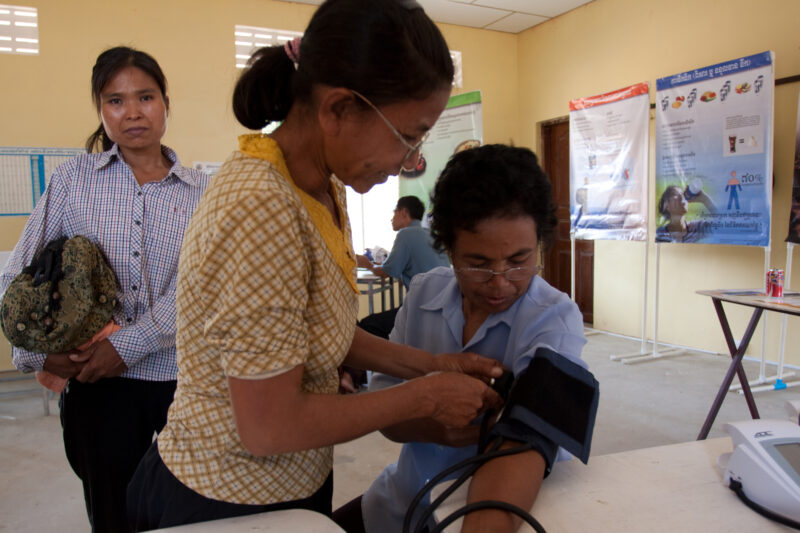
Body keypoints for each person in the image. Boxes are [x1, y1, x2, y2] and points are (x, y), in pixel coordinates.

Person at [126, 1, 502, 530]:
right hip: (224, 498)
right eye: (409, 137)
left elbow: (321, 332)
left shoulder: (322, 186)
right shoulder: (262, 206)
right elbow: (269, 426)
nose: (408, 162)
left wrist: (433, 365)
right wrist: (425, 397)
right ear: (338, 110)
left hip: (294, 483)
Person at [0, 46, 209, 533]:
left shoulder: (202, 193)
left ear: (165, 103)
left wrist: (126, 345)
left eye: (145, 97)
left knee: (191, 513)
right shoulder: (73, 181)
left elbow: (200, 289)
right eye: (115, 100)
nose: (132, 112)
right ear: (101, 110)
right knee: (112, 513)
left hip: (187, 383)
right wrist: (33, 353)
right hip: (97, 385)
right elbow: (19, 276)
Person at [333, 144, 588, 533]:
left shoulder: (554, 319)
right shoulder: (423, 294)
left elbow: (525, 443)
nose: (500, 283)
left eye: (520, 261)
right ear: (448, 250)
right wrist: (433, 424)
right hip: (405, 499)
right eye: (479, 264)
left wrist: (413, 408)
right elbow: (387, 414)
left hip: (489, 512)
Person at [356, 195, 450, 338]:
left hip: (422, 310)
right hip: (444, 308)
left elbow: (386, 272)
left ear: (404, 212)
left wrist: (366, 264)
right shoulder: (430, 234)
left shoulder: (405, 234)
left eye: (394, 212)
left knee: (367, 325)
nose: (391, 218)